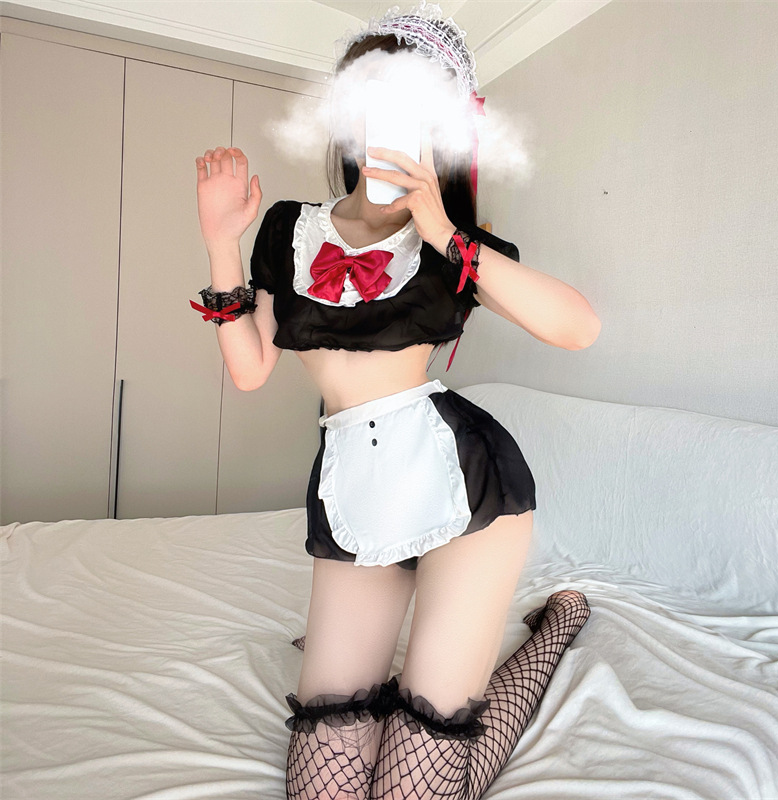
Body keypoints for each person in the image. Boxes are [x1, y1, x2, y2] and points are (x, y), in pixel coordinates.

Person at [193, 4, 597, 798]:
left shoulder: (451, 244)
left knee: (419, 783)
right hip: (354, 493)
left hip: (468, 495)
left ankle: (555, 629)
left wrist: (443, 229)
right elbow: (250, 369)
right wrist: (219, 243)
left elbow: (578, 327)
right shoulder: (289, 229)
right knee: (323, 787)